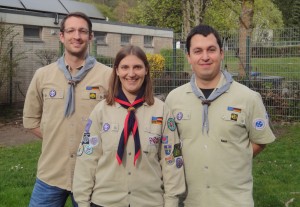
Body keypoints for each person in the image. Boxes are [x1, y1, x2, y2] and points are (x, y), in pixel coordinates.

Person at [165, 24, 276, 206]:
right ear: (189, 57)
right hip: (189, 201)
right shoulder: (174, 99)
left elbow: (260, 140)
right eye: (198, 51)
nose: (205, 57)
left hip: (234, 201)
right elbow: (170, 144)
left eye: (211, 50)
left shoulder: (248, 98)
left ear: (221, 53)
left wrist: (236, 157)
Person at [73, 45, 186, 207]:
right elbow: (87, 159)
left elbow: (171, 161)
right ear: (117, 71)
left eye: (137, 67)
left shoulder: (162, 111)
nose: (131, 74)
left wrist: (171, 201)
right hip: (106, 202)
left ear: (146, 70)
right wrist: (82, 201)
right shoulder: (101, 111)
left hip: (149, 202)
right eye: (125, 67)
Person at [23, 12, 112, 207]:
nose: (77, 36)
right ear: (62, 36)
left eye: (82, 31)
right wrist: (57, 138)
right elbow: (30, 121)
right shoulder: (42, 76)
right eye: (71, 31)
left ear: (90, 36)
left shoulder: (109, 77)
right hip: (51, 175)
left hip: (94, 176)